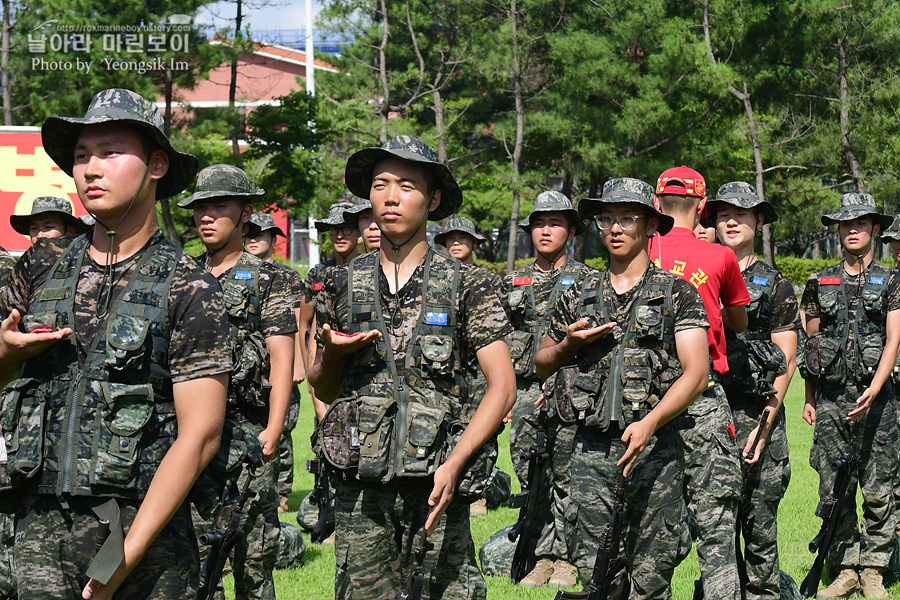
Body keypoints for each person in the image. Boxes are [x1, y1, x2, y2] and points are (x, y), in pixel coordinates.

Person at [0, 88, 230, 600]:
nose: (90, 169)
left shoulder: (188, 285)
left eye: (109, 152)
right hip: (34, 531)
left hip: (136, 536)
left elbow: (200, 436)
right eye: (81, 156)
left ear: (156, 165)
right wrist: (6, 357)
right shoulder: (41, 265)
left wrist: (119, 561)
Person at [308, 135, 515, 600]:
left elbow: (502, 386)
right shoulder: (341, 281)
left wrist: (456, 463)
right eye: (380, 184)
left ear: (434, 198)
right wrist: (333, 355)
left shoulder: (468, 282)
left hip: (439, 475)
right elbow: (320, 383)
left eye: (407, 185)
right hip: (361, 480)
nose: (391, 196)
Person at [535, 177, 709, 599]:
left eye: (627, 218)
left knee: (651, 576)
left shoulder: (677, 293)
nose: (615, 228)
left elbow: (697, 372)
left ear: (651, 225)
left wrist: (650, 423)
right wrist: (567, 346)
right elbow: (540, 363)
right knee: (597, 573)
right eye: (606, 219)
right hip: (590, 452)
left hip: (655, 451)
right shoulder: (577, 292)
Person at [179, 164, 297, 600]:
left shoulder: (271, 278)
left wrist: (273, 429)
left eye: (220, 206)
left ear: (245, 213)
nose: (207, 216)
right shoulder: (182, 274)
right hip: (186, 433)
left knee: (252, 554)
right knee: (189, 553)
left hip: (246, 433)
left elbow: (282, 358)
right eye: (200, 208)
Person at [649, 165, 750, 600]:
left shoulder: (641, 249)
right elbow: (739, 322)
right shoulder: (721, 257)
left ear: (655, 205)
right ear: (703, 206)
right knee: (716, 517)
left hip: (649, 397)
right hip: (704, 396)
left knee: (650, 517)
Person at [799, 193, 900, 599]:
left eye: (860, 222)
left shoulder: (893, 279)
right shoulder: (818, 280)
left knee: (879, 486)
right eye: (845, 223)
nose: (852, 229)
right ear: (838, 230)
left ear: (875, 228)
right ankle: (845, 566)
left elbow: (895, 337)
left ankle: (875, 568)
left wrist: (875, 389)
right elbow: (812, 342)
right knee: (834, 486)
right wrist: (808, 395)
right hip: (831, 400)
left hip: (880, 400)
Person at [708, 182, 800, 599]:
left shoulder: (775, 284)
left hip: (758, 413)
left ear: (759, 220)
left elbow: (787, 360)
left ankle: (763, 593)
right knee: (714, 525)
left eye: (741, 213)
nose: (731, 220)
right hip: (710, 413)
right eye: (723, 213)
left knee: (760, 525)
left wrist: (765, 425)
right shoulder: (700, 275)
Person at [500, 190, 594, 588]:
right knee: (530, 474)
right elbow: (498, 340)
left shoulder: (590, 280)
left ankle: (568, 557)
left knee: (569, 475)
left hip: (571, 393)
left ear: (571, 231)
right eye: (539, 223)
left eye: (555, 223)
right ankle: (540, 554)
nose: (545, 230)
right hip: (523, 394)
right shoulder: (512, 280)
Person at [434, 217, 510, 517]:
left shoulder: (488, 281)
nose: (456, 243)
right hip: (446, 369)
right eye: (451, 238)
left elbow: (503, 330)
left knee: (484, 429)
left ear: (474, 243)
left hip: (481, 370)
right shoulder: (434, 278)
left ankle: (479, 491)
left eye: (463, 238)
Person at [245, 212, 306, 512]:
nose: (254, 238)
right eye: (250, 232)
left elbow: (298, 320)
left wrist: (297, 365)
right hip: (247, 373)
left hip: (279, 367)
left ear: (273, 239)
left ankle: (281, 492)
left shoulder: (287, 277)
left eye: (262, 233)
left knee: (282, 430)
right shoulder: (235, 270)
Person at [300, 202, 361, 422]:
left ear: (358, 231)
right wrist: (310, 375)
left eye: (346, 229)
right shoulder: (318, 274)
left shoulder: (371, 271)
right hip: (327, 375)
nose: (339, 235)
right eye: (334, 230)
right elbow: (306, 324)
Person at [10, 195, 91, 242]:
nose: (40, 235)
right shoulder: (23, 267)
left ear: (70, 232)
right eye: (34, 228)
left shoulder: (81, 265)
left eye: (48, 227)